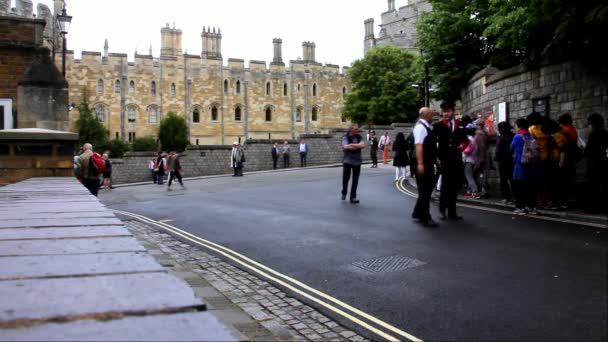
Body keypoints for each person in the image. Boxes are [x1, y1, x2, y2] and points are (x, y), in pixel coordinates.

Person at [433, 102, 466, 220]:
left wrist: (462, 145)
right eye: (444, 111)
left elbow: (465, 140)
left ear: (454, 111)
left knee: (454, 186)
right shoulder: (437, 126)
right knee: (445, 186)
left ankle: (452, 212)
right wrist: (437, 159)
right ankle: (442, 210)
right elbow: (434, 144)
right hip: (444, 161)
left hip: (456, 160)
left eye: (448, 111)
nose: (446, 114)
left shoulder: (460, 125)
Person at [411, 107, 439, 227]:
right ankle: (425, 217)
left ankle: (417, 212)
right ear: (426, 114)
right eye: (431, 113)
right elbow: (419, 146)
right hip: (423, 162)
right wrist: (420, 164)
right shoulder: (420, 127)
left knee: (425, 190)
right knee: (425, 191)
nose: (432, 115)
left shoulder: (427, 126)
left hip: (428, 161)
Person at [510, 118, 538, 215]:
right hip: (531, 164)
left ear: (519, 126)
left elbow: (511, 149)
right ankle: (532, 207)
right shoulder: (531, 135)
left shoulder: (517, 137)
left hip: (520, 164)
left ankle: (521, 207)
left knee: (519, 187)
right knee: (530, 187)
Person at [583, 113, 608, 213]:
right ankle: (604, 206)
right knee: (604, 185)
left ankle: (593, 207)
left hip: (594, 164)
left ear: (592, 124)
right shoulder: (606, 133)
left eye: (589, 124)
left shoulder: (593, 135)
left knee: (593, 186)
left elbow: (588, 151)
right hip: (604, 162)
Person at [341, 126, 366, 204]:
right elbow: (345, 146)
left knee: (355, 180)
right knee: (346, 179)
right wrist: (357, 146)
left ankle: (353, 197)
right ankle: (344, 192)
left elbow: (363, 145)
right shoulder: (345, 137)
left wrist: (352, 145)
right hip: (347, 161)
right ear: (352, 130)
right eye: (356, 130)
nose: (358, 131)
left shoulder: (359, 137)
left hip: (357, 161)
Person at [495, 121, 515, 203]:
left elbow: (498, 151)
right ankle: (514, 197)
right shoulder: (513, 136)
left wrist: (497, 158)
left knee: (504, 180)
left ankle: (507, 197)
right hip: (511, 161)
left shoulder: (501, 138)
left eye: (499, 128)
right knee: (512, 180)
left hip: (504, 161)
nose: (498, 130)